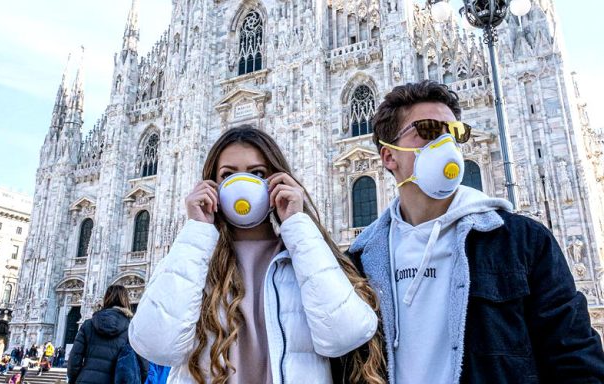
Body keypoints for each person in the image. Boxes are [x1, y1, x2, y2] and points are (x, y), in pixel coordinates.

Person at [339, 80, 604, 383]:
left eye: (455, 133)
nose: (445, 144)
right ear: (389, 157)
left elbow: (576, 359)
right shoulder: (360, 259)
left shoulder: (523, 242)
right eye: (427, 130)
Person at [129, 126, 383, 383]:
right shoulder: (194, 259)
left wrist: (297, 224)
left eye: (257, 173)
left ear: (278, 181)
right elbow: (155, 345)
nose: (242, 184)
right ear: (212, 186)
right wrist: (196, 231)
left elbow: (346, 335)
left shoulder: (304, 255)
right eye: (228, 175)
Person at [68, 285, 148, 384]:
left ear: (106, 299)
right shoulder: (131, 328)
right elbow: (143, 366)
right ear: (126, 301)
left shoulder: (88, 325)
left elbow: (74, 360)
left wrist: (73, 380)